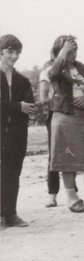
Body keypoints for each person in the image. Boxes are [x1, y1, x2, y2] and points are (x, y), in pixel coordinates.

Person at [40, 35, 84, 213]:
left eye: (75, 50)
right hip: (64, 116)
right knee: (68, 156)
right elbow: (53, 75)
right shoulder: (52, 66)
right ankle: (71, 198)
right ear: (59, 50)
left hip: (83, 116)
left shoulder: (80, 66)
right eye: (70, 50)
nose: (73, 54)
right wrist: (62, 55)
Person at [0, 35, 37, 228]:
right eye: (9, 52)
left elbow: (30, 106)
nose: (14, 56)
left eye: (17, 52)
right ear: (1, 52)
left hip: (17, 133)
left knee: (13, 173)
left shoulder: (22, 80)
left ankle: (10, 214)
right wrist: (17, 107)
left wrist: (21, 108)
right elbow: (21, 106)